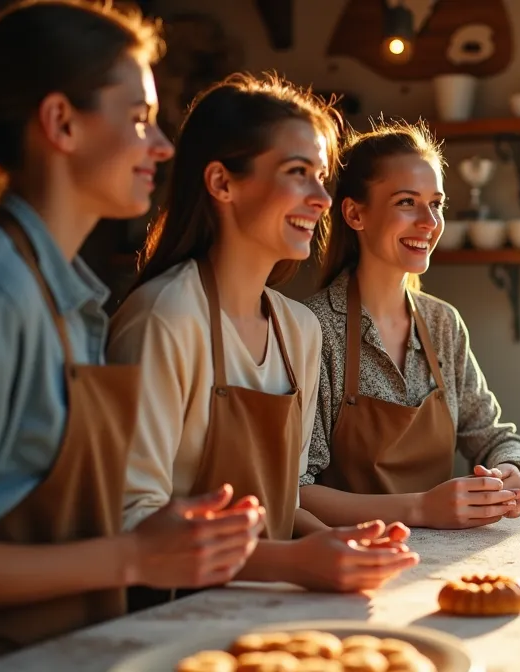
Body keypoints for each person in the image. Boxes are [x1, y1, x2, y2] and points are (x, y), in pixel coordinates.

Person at [0, 2, 265, 670]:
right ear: (61, 122)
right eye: (139, 119)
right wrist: (135, 554)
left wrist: (165, 535)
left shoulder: (65, 297)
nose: (162, 146)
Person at [108, 73, 418, 602]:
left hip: (270, 604)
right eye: (298, 173)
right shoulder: (165, 317)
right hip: (171, 619)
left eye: (321, 177)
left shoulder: (298, 329)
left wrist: (342, 545)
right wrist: (296, 562)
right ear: (222, 183)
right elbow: (134, 520)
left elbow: (283, 504)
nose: (322, 199)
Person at [300, 121, 520, 529]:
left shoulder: (442, 323)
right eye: (407, 202)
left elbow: (492, 435)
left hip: (441, 558)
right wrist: (420, 509)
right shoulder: (313, 328)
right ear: (355, 213)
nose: (429, 222)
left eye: (437, 203)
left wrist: (510, 469)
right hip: (353, 559)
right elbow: (296, 491)